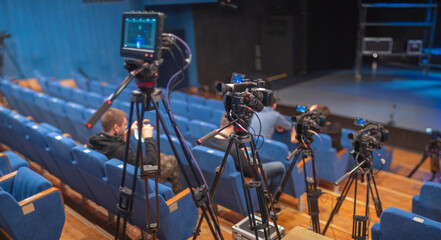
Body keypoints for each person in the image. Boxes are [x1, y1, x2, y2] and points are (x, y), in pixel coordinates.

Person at [87, 108, 182, 194]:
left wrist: (129, 133)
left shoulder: (94, 139)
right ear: (116, 127)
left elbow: (113, 145)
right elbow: (152, 166)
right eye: (125, 124)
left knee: (160, 156)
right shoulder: (121, 151)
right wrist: (148, 137)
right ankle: (177, 197)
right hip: (136, 178)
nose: (126, 127)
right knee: (171, 160)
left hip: (116, 174)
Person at [204, 114, 286, 195]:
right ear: (236, 125)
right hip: (241, 186)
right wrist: (244, 157)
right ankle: (267, 200)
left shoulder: (207, 138)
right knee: (281, 167)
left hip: (217, 187)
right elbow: (251, 173)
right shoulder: (233, 150)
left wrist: (240, 152)